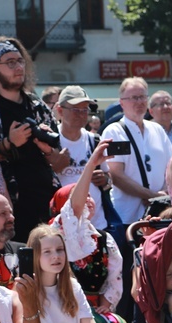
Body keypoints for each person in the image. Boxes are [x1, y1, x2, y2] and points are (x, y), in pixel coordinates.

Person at [0, 36, 70, 242]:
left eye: (20, 61)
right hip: (7, 211)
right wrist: (8, 143)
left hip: (46, 202)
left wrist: (47, 150)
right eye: (9, 62)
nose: (18, 67)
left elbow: (61, 163)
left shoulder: (38, 107)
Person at [49, 138, 123, 315]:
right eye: (82, 196)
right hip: (61, 308)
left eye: (90, 196)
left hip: (95, 308)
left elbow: (115, 278)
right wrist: (91, 164)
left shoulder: (104, 238)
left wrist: (104, 305)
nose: (87, 200)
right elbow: (73, 209)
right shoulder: (56, 232)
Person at [100, 76, 172, 225]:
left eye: (142, 97)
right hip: (128, 216)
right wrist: (152, 195)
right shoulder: (114, 132)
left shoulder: (157, 130)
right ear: (122, 103)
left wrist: (165, 194)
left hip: (160, 214)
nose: (139, 102)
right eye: (134, 98)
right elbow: (116, 175)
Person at [55, 85, 112, 232]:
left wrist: (105, 179)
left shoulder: (94, 140)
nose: (81, 115)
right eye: (75, 110)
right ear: (59, 110)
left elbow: (109, 179)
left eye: (85, 110)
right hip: (62, 225)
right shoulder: (50, 140)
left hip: (96, 225)